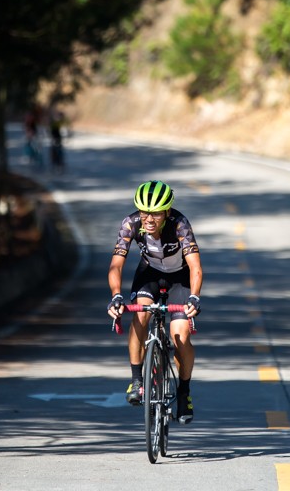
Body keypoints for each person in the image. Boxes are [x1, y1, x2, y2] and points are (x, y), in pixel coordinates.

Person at [106, 180, 203, 424]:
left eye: (156, 213)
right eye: (144, 212)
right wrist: (116, 295)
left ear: (167, 212)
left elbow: (195, 267)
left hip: (179, 278)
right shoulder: (131, 224)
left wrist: (194, 296)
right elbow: (116, 264)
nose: (149, 219)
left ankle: (184, 391)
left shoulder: (179, 224)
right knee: (140, 315)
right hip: (149, 274)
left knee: (180, 334)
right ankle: (137, 380)